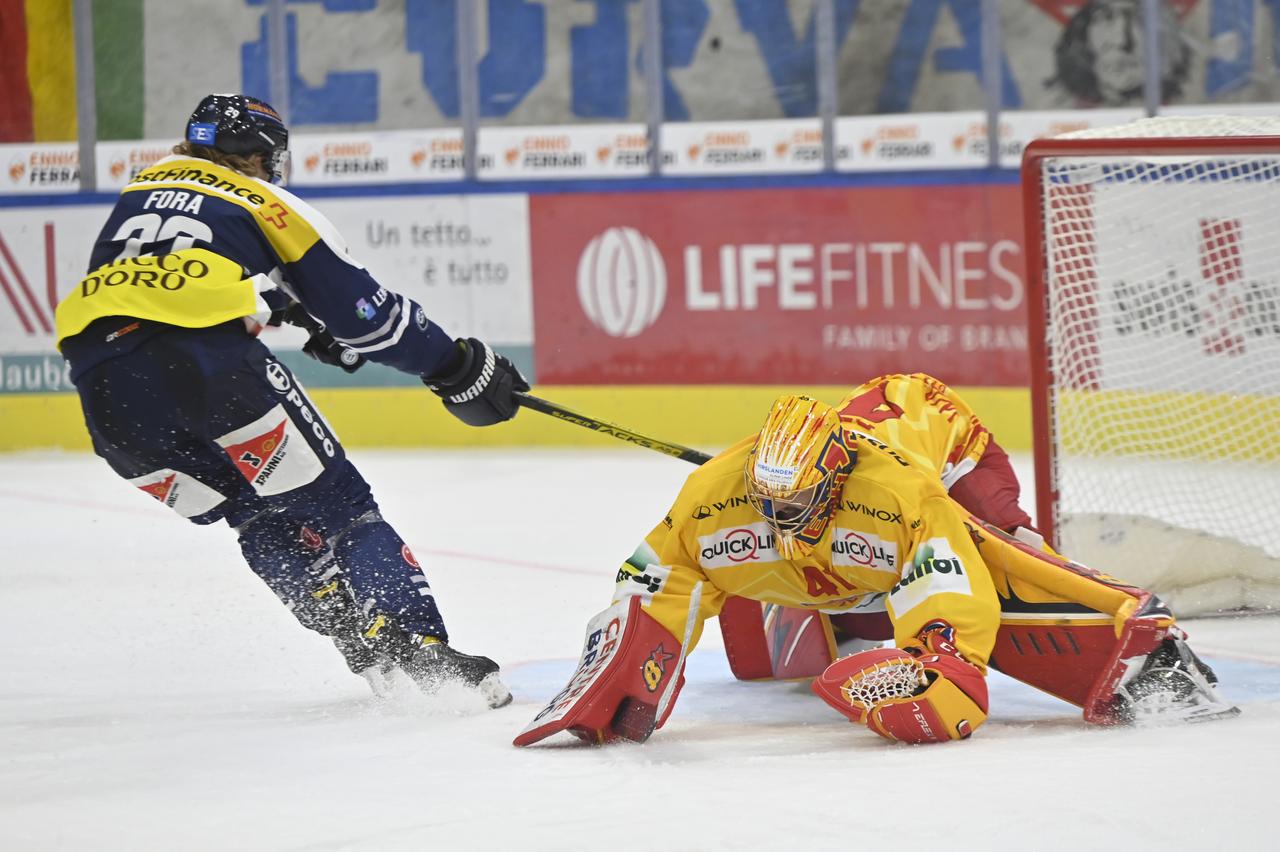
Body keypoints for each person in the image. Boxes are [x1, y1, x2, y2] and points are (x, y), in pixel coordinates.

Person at [53, 94, 527, 709]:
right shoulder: (262, 201)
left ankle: (356, 635)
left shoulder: (138, 194)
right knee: (344, 511)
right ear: (255, 157)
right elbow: (369, 316)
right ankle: (416, 647)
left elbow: (163, 290)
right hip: (208, 371)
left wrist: (290, 310)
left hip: (108, 398)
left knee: (251, 513)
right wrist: (452, 365)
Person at [514, 374, 1237, 746]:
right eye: (768, 503)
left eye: (796, 503)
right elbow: (657, 578)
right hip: (867, 467)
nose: (777, 521)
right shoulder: (715, 491)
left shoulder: (899, 493)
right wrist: (618, 657)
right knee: (801, 604)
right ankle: (856, 617)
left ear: (835, 475)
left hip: (947, 450)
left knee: (1010, 554)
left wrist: (940, 664)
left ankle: (1150, 650)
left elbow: (953, 591)